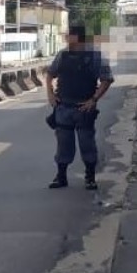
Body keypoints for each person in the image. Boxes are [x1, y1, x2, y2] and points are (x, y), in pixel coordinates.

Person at [46, 25, 115, 190]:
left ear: (77, 37)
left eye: (68, 35)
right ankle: (61, 176)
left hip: (84, 108)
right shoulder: (63, 55)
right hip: (63, 106)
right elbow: (50, 73)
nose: (66, 38)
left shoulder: (94, 55)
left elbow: (107, 79)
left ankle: (90, 177)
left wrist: (94, 99)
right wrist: (50, 94)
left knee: (87, 143)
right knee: (63, 143)